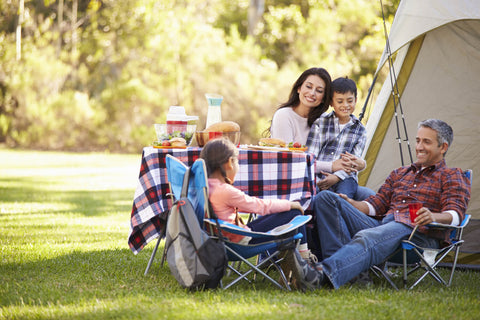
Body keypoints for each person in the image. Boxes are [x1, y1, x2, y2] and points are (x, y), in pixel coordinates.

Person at [291, 119, 471, 290]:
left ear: (443, 147)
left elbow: (456, 213)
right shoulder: (400, 173)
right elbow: (376, 205)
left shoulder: (452, 175)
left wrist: (433, 216)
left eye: (426, 142)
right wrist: (350, 203)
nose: (419, 147)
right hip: (384, 225)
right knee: (326, 199)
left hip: (416, 234)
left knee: (367, 237)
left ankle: (318, 276)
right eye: (417, 141)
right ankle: (353, 275)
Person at [199, 137, 318, 263]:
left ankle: (294, 260)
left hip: (223, 241)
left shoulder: (205, 186)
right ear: (229, 163)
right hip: (241, 243)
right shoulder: (225, 191)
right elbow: (259, 206)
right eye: (237, 162)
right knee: (294, 213)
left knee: (284, 212)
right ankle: (305, 261)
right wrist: (290, 204)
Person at [306, 77, 367, 199]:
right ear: (331, 102)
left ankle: (340, 213)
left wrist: (337, 177)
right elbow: (310, 158)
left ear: (355, 100)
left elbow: (354, 162)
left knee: (343, 198)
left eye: (349, 101)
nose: (345, 105)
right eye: (340, 101)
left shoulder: (360, 131)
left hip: (345, 178)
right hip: (319, 176)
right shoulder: (321, 123)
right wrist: (322, 177)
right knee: (314, 195)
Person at [269, 67, 332, 145]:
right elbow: (285, 154)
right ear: (299, 88)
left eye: (319, 91)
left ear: (324, 98)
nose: (312, 93)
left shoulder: (327, 120)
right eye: (308, 86)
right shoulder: (284, 115)